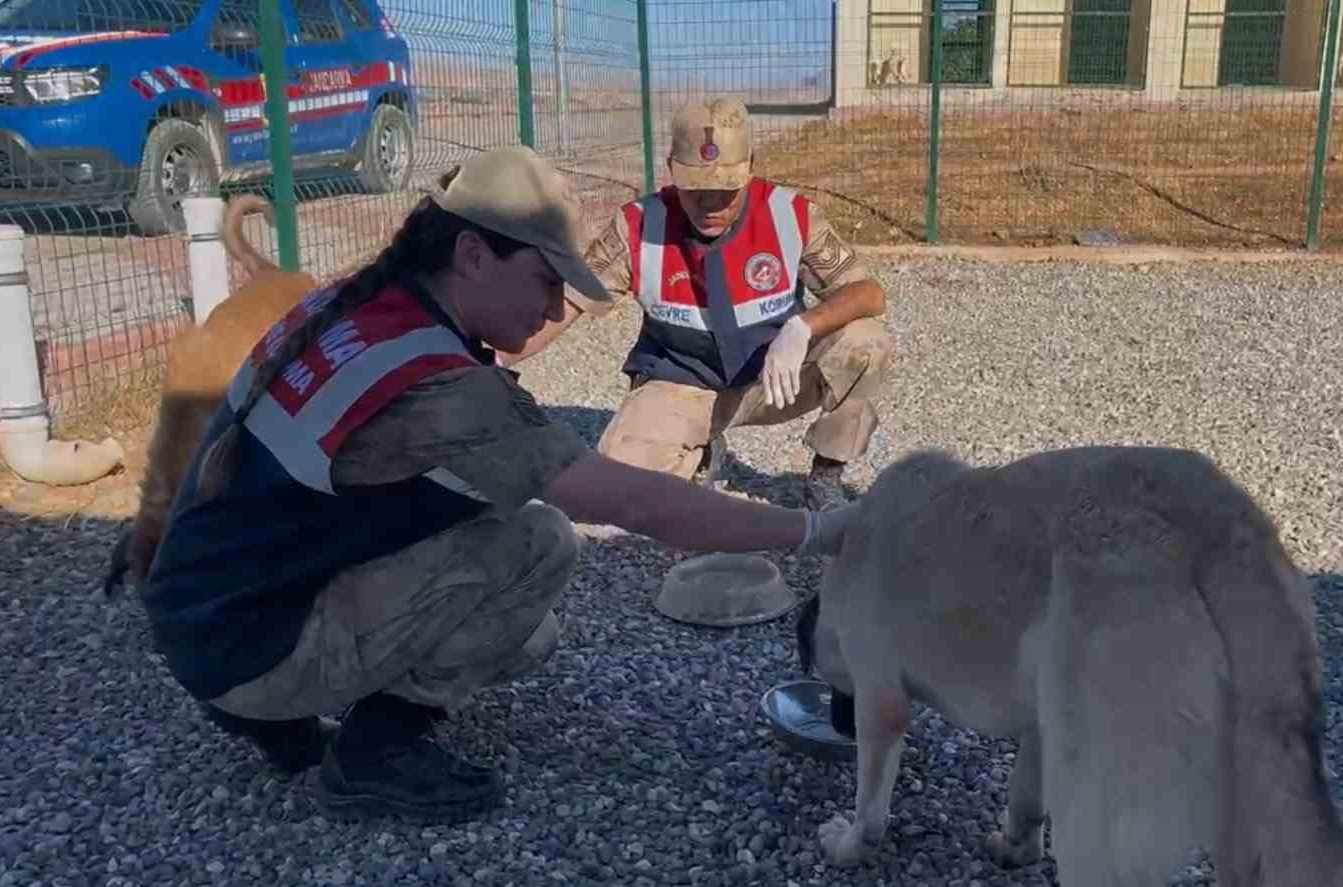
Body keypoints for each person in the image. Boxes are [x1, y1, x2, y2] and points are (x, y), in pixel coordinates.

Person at [139, 145, 858, 822]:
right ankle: (372, 753)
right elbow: (638, 501)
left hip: (203, 621)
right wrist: (820, 531)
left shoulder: (354, 308)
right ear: (473, 253)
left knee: (501, 575)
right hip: (247, 651)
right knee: (539, 543)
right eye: (545, 281)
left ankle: (279, 720)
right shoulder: (441, 387)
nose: (552, 313)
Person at [498, 96, 894, 511]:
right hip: (683, 384)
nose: (710, 203)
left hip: (775, 382)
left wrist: (802, 327)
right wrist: (491, 361)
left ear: (751, 166)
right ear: (671, 169)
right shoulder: (638, 225)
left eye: (725, 189)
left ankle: (825, 477)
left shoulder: (789, 215)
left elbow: (868, 293)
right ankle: (704, 451)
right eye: (695, 188)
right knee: (624, 488)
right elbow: (565, 304)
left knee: (867, 341)